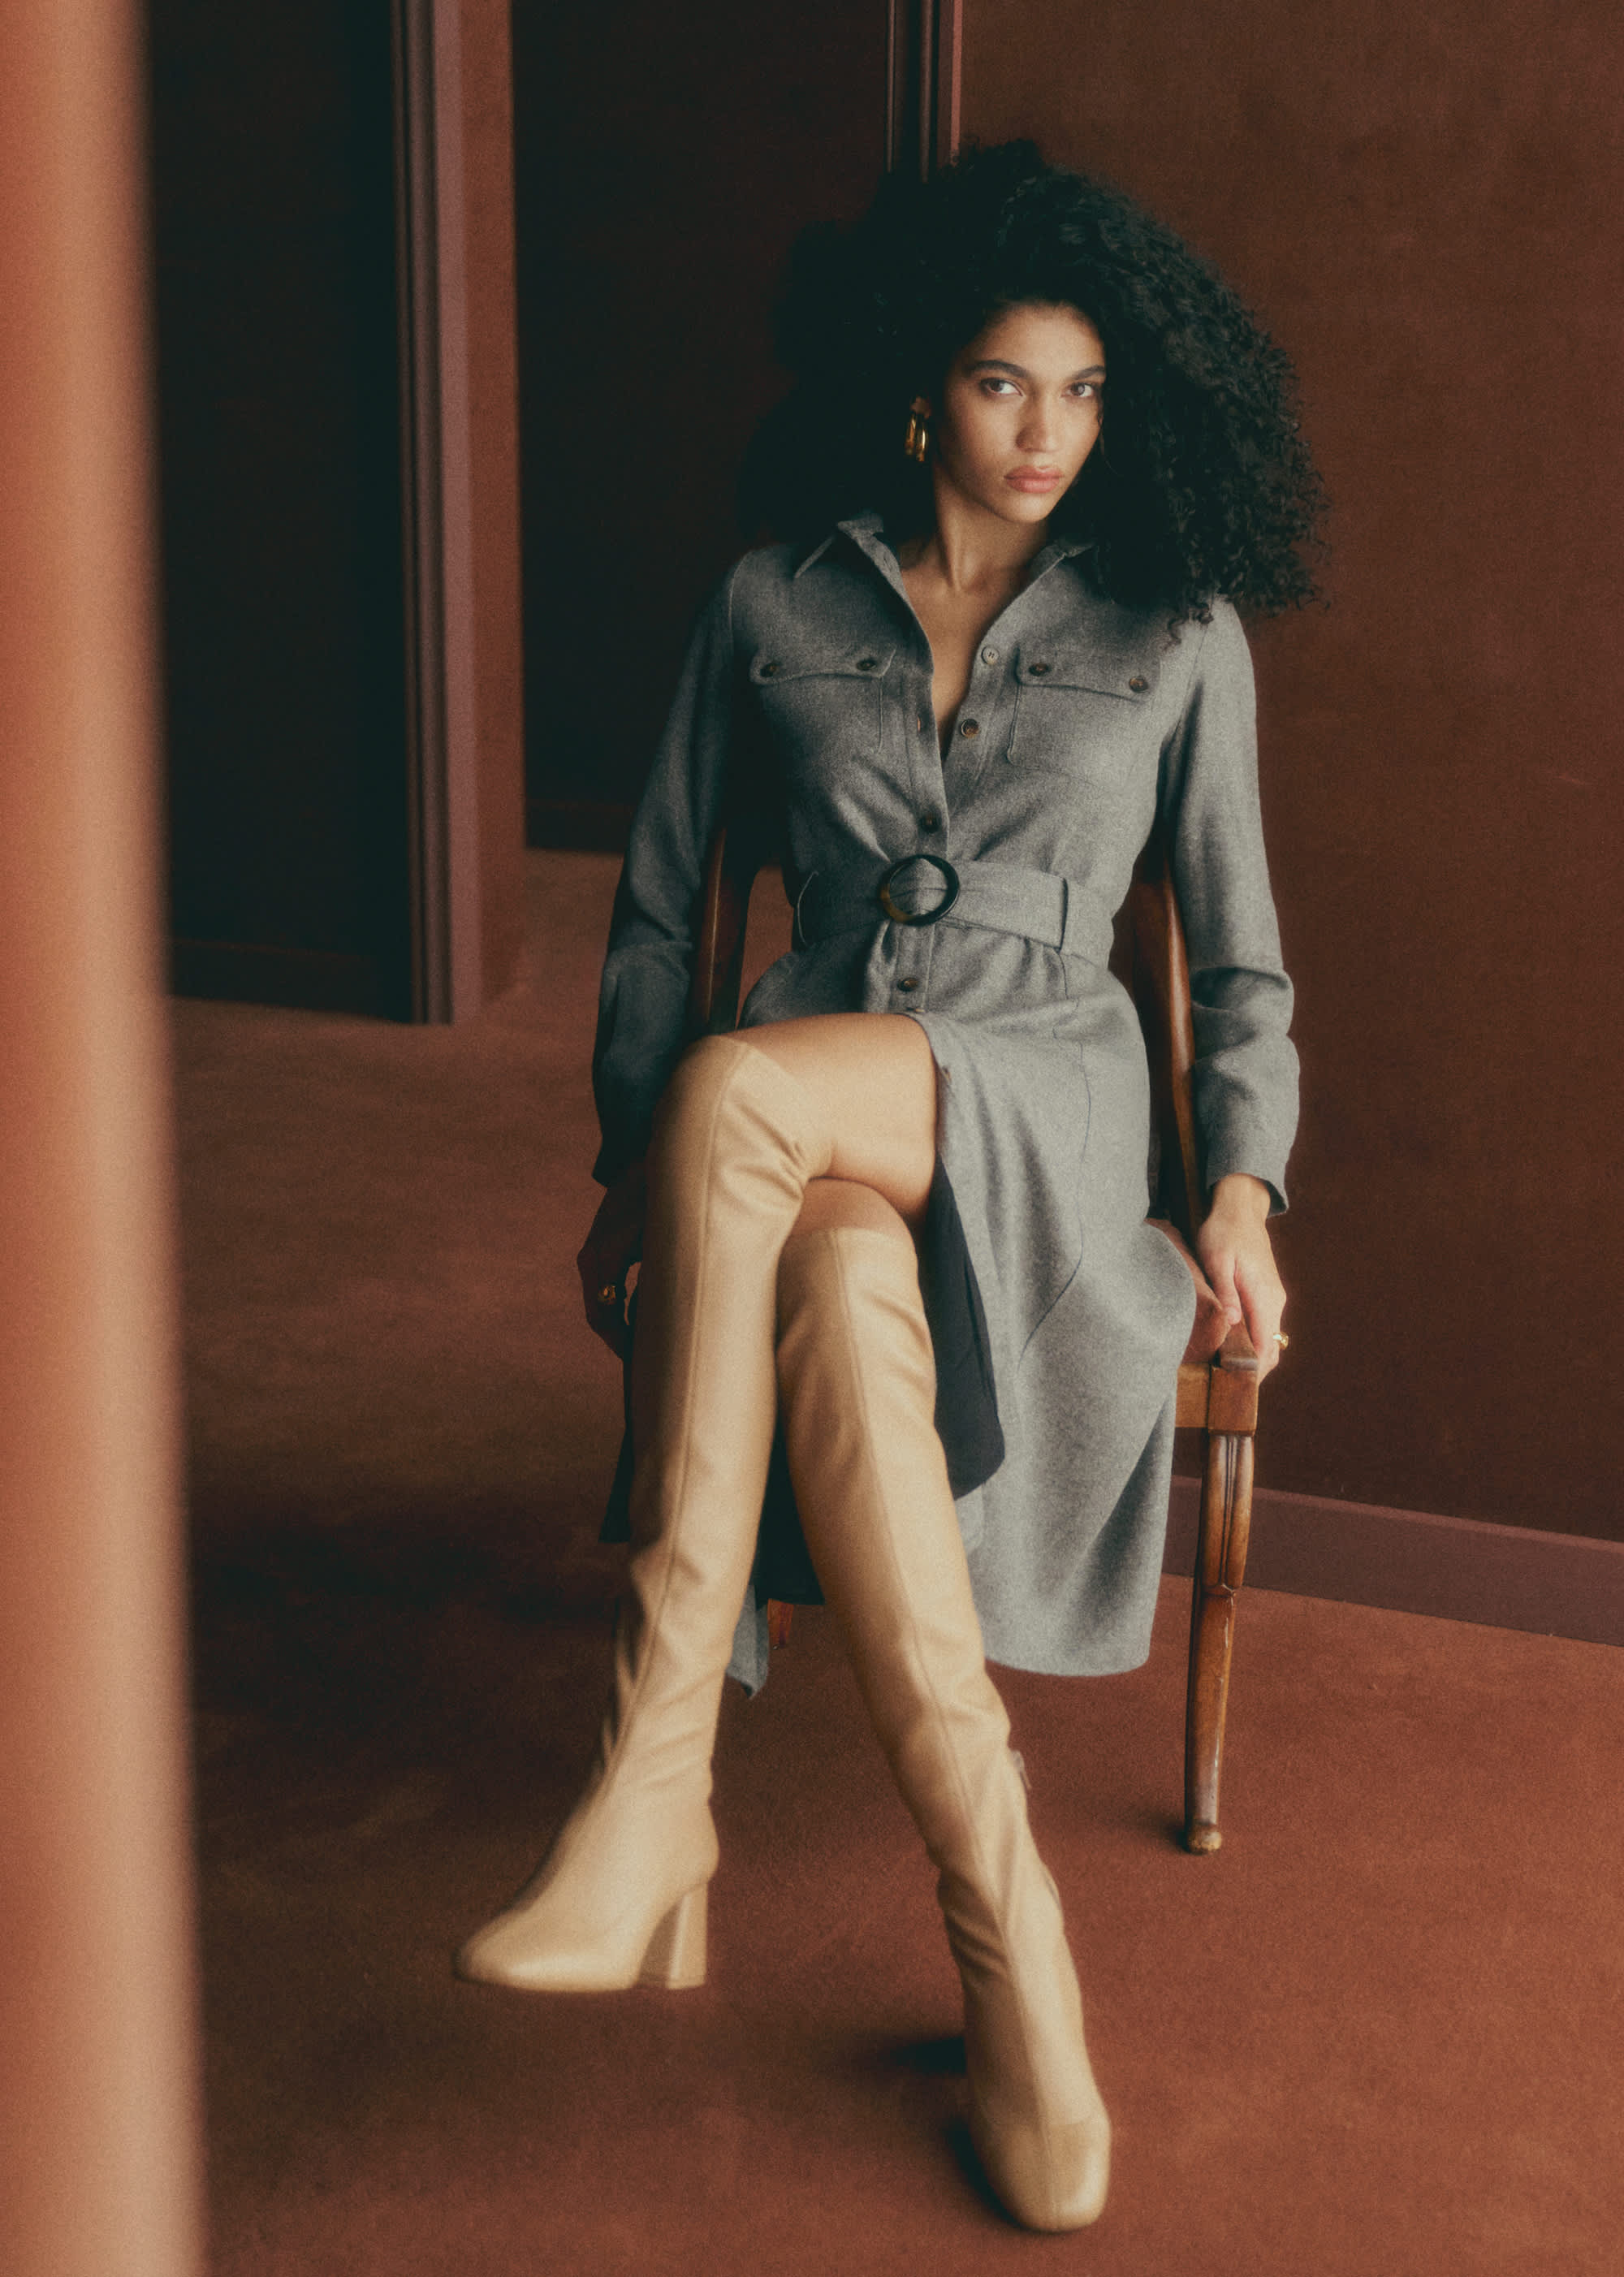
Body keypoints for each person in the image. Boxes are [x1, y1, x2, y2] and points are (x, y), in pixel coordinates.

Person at [455, 141, 1322, 2233]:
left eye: (1087, 392)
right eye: (1009, 383)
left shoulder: (1175, 626)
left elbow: (1241, 960)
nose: (1050, 433)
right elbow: (658, 914)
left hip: (1041, 1103)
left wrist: (1244, 1190)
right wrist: (630, 1163)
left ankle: (656, 1773)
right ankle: (1015, 1959)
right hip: (823, 1083)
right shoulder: (772, 601)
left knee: (739, 1102)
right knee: (833, 1291)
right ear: (922, 387)